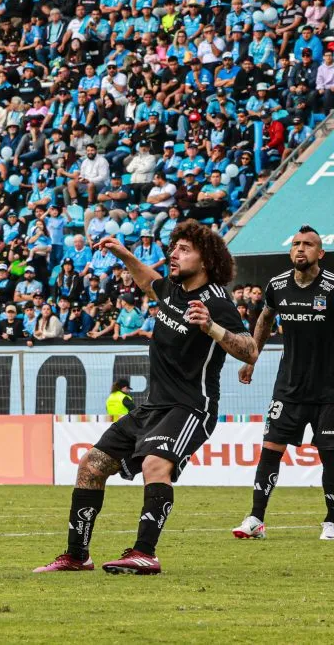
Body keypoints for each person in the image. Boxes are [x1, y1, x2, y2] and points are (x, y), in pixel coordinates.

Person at [34, 221, 257, 575]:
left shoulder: (216, 301)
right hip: (153, 405)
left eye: (184, 249)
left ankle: (144, 553)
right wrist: (124, 255)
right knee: (90, 466)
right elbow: (145, 280)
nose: (174, 253)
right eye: (174, 247)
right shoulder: (171, 288)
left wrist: (212, 328)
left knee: (155, 465)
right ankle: (77, 556)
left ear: (206, 259)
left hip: (191, 406)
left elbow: (250, 350)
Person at [232, 226, 334, 541]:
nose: (300, 249)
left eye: (307, 244)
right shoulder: (277, 285)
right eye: (295, 244)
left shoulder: (331, 287)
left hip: (329, 390)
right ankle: (256, 519)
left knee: (329, 454)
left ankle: (332, 520)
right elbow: (265, 318)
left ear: (320, 253)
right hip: (288, 387)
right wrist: (252, 356)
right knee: (271, 449)